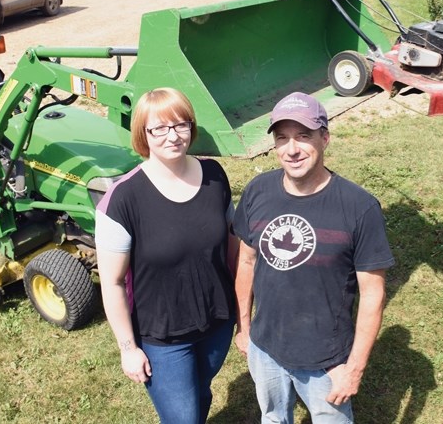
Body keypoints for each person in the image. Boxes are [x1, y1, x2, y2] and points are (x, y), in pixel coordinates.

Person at [233, 91, 395, 423]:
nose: (291, 149)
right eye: (282, 139)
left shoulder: (359, 208)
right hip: (265, 349)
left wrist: (354, 368)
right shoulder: (257, 191)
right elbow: (246, 261)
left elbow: (373, 294)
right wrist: (245, 327)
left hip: (327, 360)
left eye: (303, 137)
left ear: (325, 138)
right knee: (273, 418)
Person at [96, 87, 237, 423]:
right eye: (159, 128)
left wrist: (241, 308)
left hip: (217, 323)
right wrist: (128, 350)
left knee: (201, 392)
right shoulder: (122, 199)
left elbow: (232, 241)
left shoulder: (214, 176)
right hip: (162, 338)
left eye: (181, 125)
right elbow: (112, 282)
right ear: (142, 134)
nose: (172, 136)